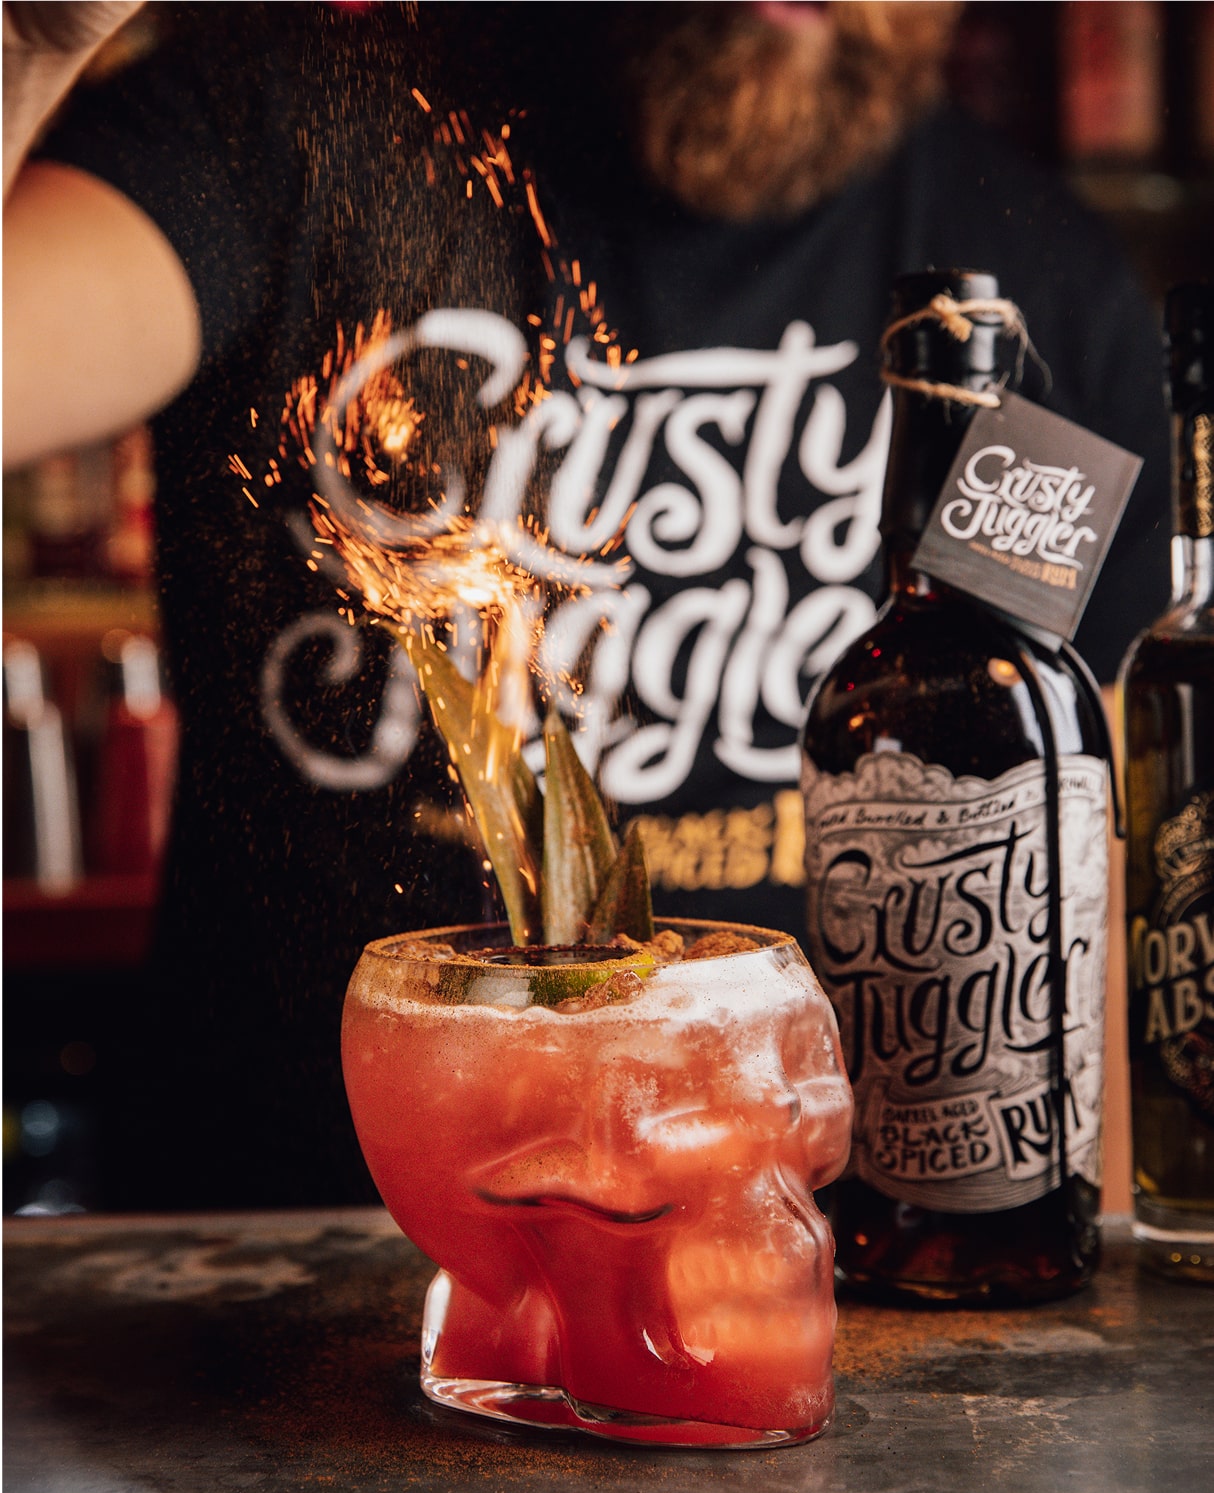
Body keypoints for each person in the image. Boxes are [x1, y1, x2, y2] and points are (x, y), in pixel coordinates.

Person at [3, 1, 1170, 1210]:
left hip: (825, 1282)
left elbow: (1099, 875)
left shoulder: (1019, 302)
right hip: (263, 1266)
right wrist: (26, 45)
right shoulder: (301, 126)